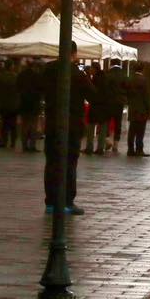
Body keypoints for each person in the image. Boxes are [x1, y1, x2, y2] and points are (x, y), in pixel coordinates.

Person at [42, 43, 92, 215]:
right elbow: (92, 95)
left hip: (52, 123)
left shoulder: (48, 70)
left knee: (51, 162)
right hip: (71, 125)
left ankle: (50, 202)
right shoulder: (77, 74)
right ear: (74, 54)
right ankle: (66, 202)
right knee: (69, 164)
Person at [125, 66, 150, 157]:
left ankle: (130, 149)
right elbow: (146, 96)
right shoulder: (144, 80)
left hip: (132, 108)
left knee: (132, 130)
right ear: (142, 70)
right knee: (140, 131)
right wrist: (149, 108)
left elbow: (127, 93)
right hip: (142, 110)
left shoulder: (130, 79)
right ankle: (139, 149)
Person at [99, 61, 127, 154]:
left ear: (111, 64)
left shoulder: (108, 74)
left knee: (106, 121)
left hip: (108, 102)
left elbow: (104, 88)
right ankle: (116, 144)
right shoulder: (123, 75)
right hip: (119, 103)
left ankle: (107, 140)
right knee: (118, 122)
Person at [18, 60, 43, 153]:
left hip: (24, 102)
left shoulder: (21, 75)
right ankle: (32, 145)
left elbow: (18, 87)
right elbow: (41, 88)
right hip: (34, 103)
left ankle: (24, 145)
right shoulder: (37, 76)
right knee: (33, 125)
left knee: (24, 125)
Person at [0, 59, 21, 149]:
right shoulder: (16, 77)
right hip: (14, 104)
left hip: (3, 103)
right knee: (13, 124)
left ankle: (4, 140)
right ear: (11, 66)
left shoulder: (0, 76)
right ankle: (13, 142)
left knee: (4, 123)